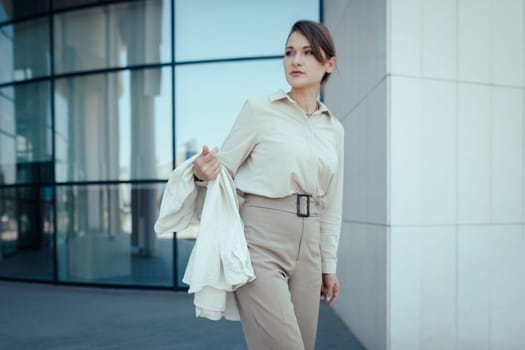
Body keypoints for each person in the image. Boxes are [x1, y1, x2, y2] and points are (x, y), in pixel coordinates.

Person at [192, 20, 343, 350]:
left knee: (304, 343)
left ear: (329, 63)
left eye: (307, 53)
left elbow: (332, 202)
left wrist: (328, 266)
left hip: (310, 246)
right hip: (260, 240)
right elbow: (222, 169)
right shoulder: (258, 110)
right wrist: (202, 173)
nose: (295, 61)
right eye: (289, 52)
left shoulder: (334, 129)